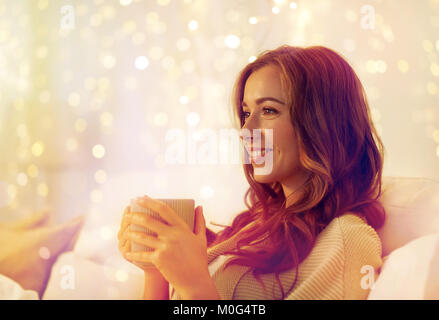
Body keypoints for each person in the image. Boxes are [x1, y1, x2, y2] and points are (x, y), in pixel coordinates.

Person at [117, 45, 386, 300]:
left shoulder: (348, 240)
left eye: (268, 110)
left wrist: (194, 284)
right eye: (246, 113)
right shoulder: (255, 226)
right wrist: (156, 271)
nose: (246, 131)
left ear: (323, 123)